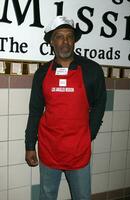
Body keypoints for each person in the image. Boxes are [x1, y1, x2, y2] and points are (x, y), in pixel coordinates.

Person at [25, 15, 106, 200]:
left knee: (83, 196)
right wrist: (30, 145)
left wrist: (90, 133)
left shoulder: (92, 69)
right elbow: (35, 111)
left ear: (74, 40)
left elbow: (100, 103)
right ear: (52, 42)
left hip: (79, 150)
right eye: (59, 36)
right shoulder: (42, 73)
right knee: (46, 195)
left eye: (69, 36)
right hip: (49, 148)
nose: (65, 41)